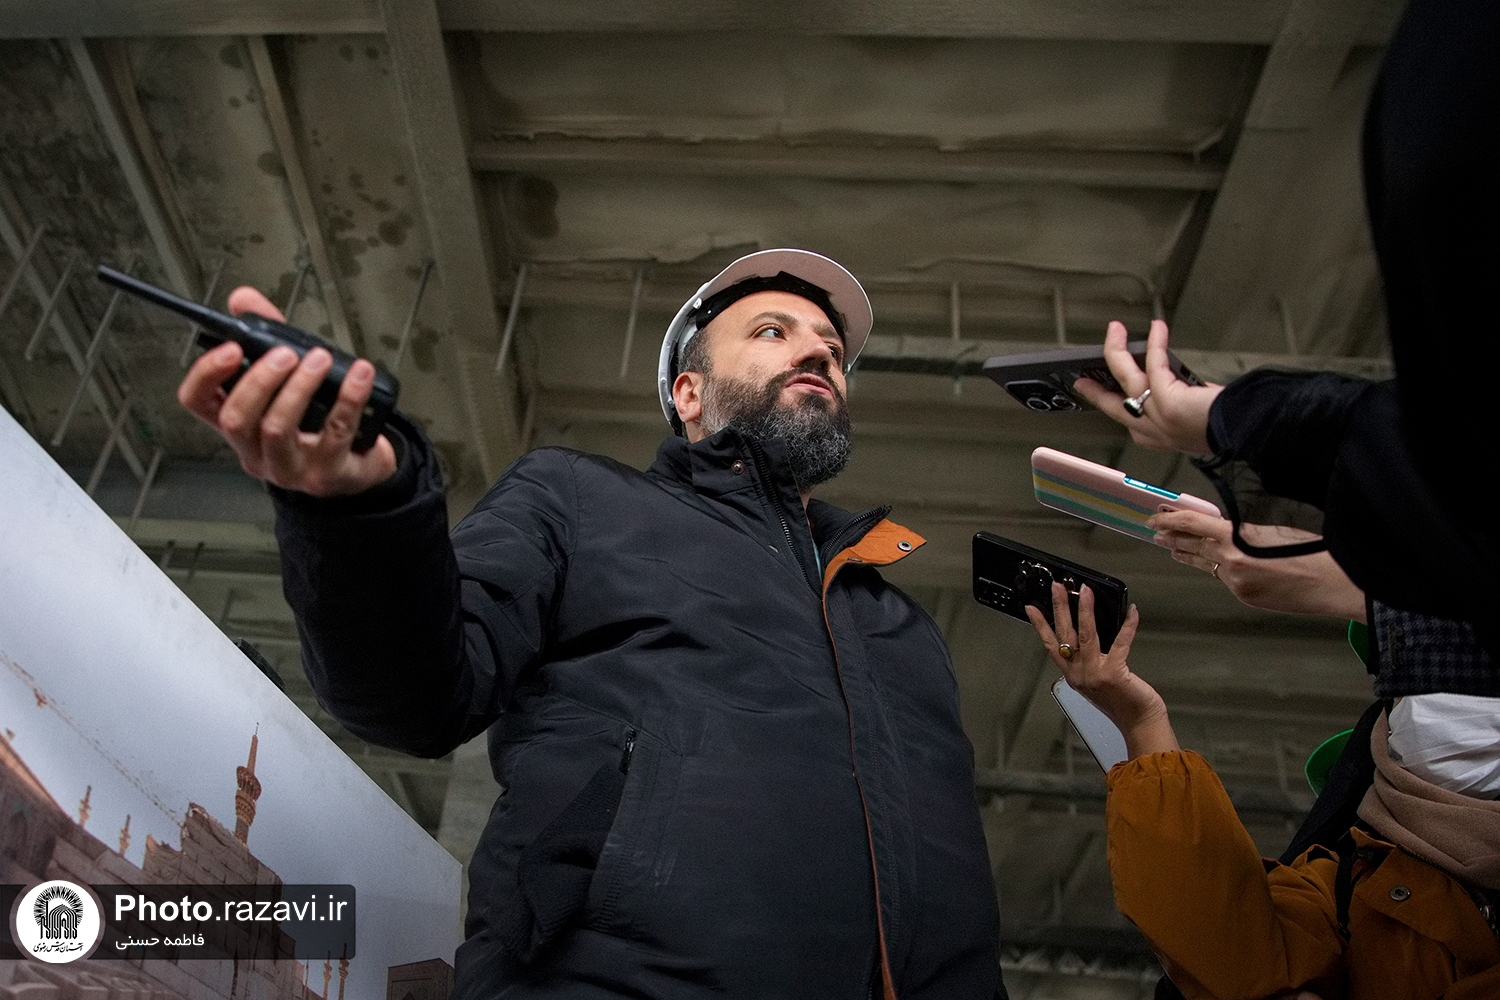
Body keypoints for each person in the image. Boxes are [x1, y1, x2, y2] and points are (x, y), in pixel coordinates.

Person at [176, 249, 1004, 1000]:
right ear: (688, 394)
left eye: (831, 347)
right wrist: (360, 514)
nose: (819, 353)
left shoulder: (900, 626)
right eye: (772, 331)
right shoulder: (581, 500)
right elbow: (416, 696)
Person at [1023, 582, 1500, 1000]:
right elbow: (1231, 951)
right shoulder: (1356, 891)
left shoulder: (1355, 890)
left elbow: (1229, 951)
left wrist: (1142, 725)